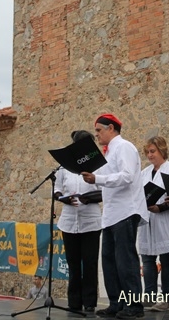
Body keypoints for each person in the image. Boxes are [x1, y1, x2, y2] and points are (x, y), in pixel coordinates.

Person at [81, 114, 148, 320]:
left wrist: (98, 178)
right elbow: (104, 180)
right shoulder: (108, 153)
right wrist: (92, 177)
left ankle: (134, 305)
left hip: (126, 210)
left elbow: (127, 176)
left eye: (99, 131)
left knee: (125, 259)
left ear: (111, 128)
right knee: (109, 260)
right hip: (111, 213)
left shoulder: (124, 147)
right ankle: (116, 302)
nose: (97, 135)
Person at [54, 130, 102, 313]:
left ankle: (90, 302)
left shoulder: (97, 165)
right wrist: (62, 198)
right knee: (73, 263)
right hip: (68, 220)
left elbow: (105, 190)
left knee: (89, 262)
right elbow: (57, 189)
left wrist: (89, 198)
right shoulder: (64, 167)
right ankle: (74, 302)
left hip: (90, 220)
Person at [137, 136, 169, 312]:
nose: (149, 155)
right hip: (148, 219)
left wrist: (161, 207)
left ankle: (165, 299)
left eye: (153, 151)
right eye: (147, 152)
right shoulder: (144, 173)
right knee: (147, 260)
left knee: (166, 260)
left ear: (162, 150)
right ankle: (149, 296)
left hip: (166, 220)